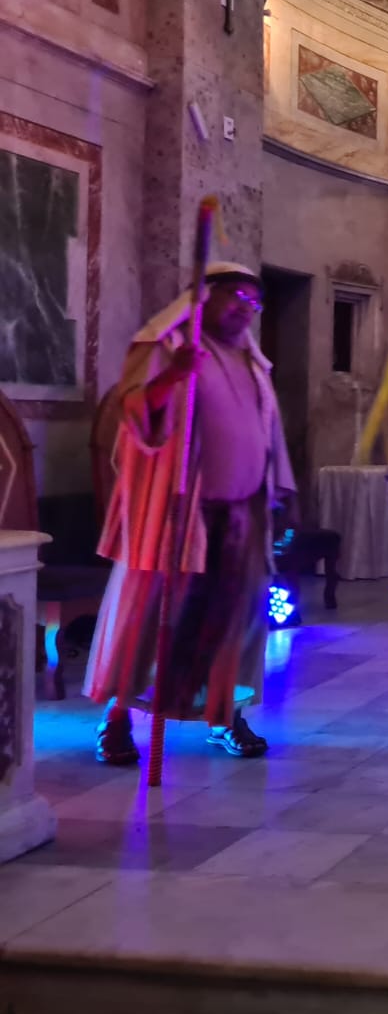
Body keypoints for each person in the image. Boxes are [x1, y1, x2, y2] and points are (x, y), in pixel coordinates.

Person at [86, 263, 295, 764]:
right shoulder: (168, 348)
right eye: (235, 295)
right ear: (203, 296)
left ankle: (227, 717)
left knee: (233, 623)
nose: (245, 306)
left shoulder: (252, 362)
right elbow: (134, 415)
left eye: (254, 300)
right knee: (149, 618)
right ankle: (116, 721)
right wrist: (174, 377)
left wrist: (283, 494)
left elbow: (269, 436)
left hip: (242, 517)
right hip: (178, 518)